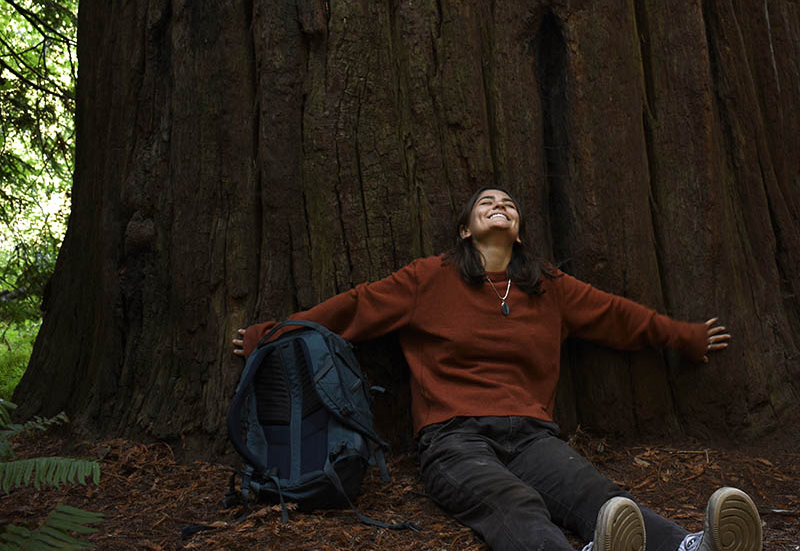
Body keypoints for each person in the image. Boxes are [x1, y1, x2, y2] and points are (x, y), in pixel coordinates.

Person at [233, 186, 762, 551]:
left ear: (519, 230)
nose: (499, 206)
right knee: (514, 503)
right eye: (486, 203)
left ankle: (692, 545)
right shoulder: (428, 279)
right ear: (466, 229)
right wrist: (271, 336)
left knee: (596, 495)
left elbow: (616, 315)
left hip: (531, 435)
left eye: (508, 204)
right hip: (452, 439)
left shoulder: (546, 286)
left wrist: (685, 338)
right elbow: (352, 308)